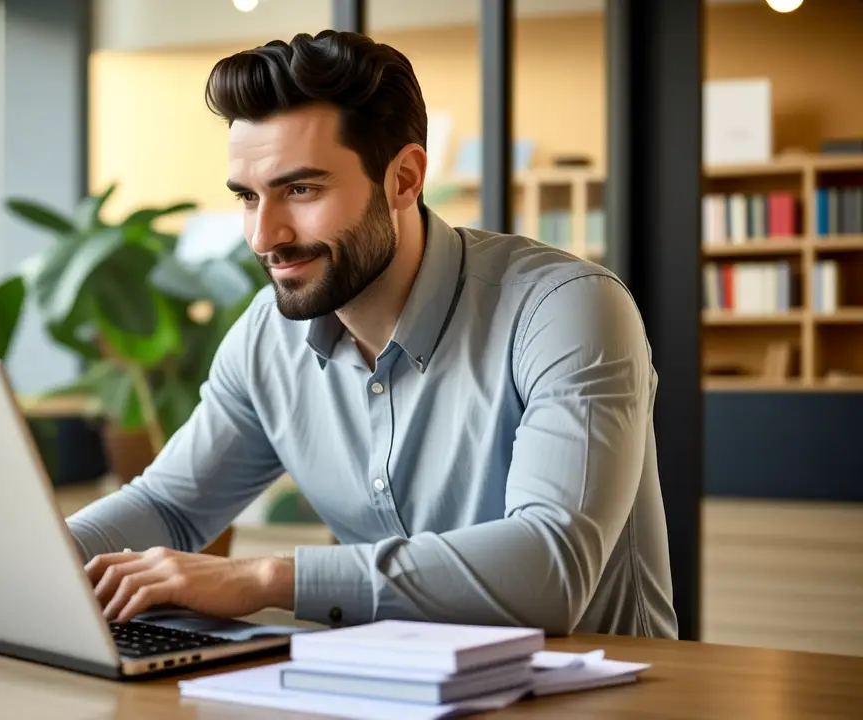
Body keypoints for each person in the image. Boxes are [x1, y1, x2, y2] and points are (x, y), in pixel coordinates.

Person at [66, 29, 678, 639]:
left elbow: (550, 571)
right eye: (249, 197)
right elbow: (169, 509)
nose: (263, 236)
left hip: (597, 696)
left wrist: (264, 580)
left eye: (301, 189)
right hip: (395, 688)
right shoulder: (267, 336)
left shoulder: (564, 310)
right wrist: (27, 560)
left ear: (405, 178)